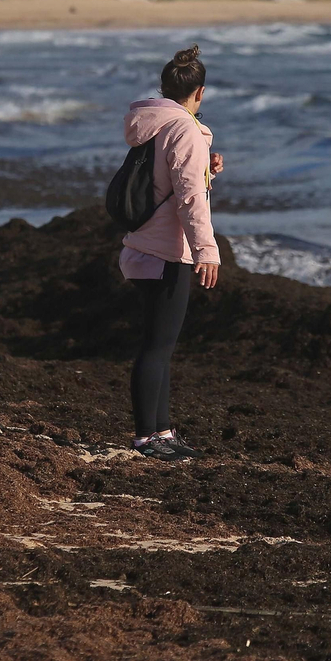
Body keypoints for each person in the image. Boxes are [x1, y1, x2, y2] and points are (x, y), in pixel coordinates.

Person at [119, 45, 225, 461]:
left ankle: (161, 431)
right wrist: (207, 250)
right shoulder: (184, 129)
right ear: (198, 92)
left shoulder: (153, 123)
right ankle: (147, 436)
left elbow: (164, 180)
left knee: (158, 344)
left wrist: (206, 168)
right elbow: (189, 199)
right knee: (158, 346)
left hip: (142, 245)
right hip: (167, 251)